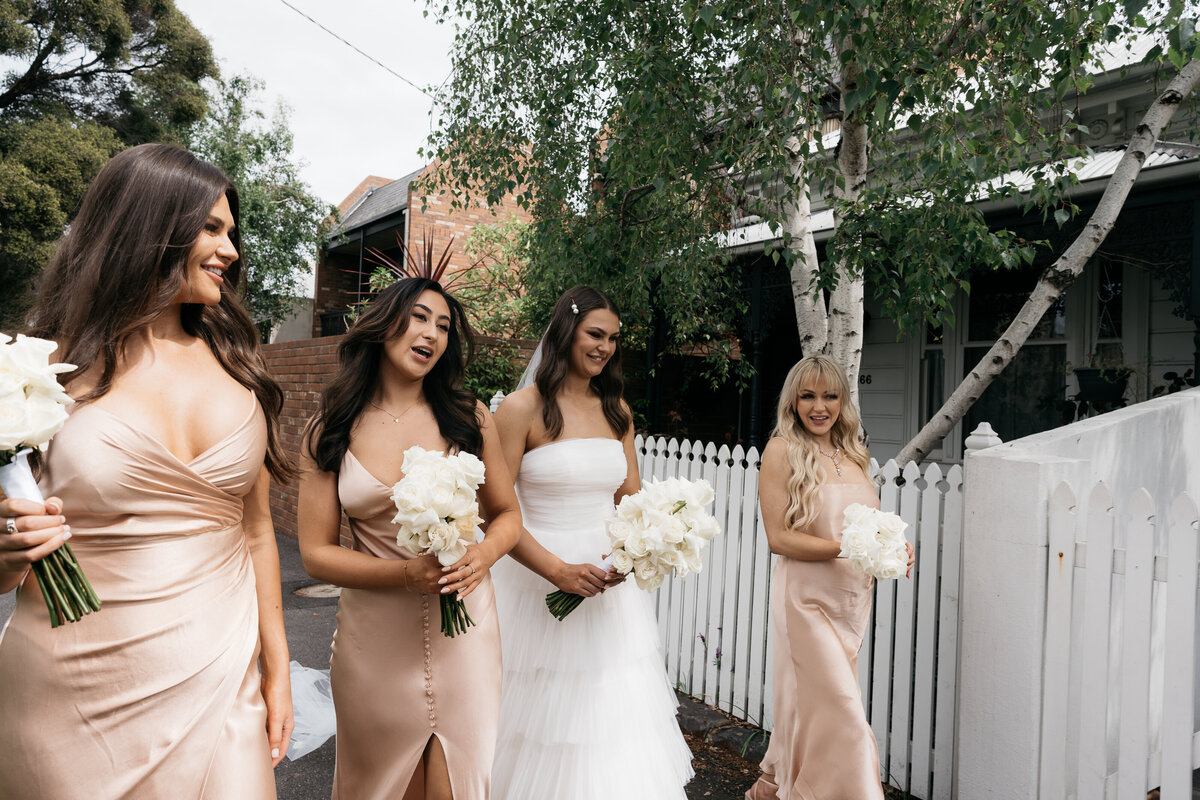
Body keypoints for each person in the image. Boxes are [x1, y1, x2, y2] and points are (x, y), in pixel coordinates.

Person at [0, 143, 295, 799]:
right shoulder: (42, 373)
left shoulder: (241, 365)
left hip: (222, 678)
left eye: (232, 232)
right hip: (73, 693)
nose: (232, 251)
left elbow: (254, 533)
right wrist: (7, 552)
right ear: (152, 227)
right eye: (212, 229)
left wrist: (276, 663)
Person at [297, 276, 522, 800]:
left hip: (465, 630)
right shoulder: (331, 426)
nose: (432, 334)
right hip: (373, 641)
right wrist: (403, 573)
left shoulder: (469, 417)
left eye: (443, 326)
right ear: (385, 324)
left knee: (454, 784)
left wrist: (482, 554)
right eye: (420, 317)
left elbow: (508, 514)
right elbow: (315, 553)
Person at [489, 286, 694, 800]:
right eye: (595, 335)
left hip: (608, 589)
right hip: (536, 581)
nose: (605, 347)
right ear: (566, 332)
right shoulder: (520, 409)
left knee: (607, 715)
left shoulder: (616, 410)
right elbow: (493, 510)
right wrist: (557, 571)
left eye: (613, 339)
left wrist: (638, 550)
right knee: (538, 719)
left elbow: (630, 500)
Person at [745, 354, 914, 800]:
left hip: (850, 602)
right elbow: (779, 538)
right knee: (844, 713)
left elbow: (868, 526)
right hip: (804, 601)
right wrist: (852, 548)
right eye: (808, 396)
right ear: (793, 401)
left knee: (811, 709)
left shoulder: (856, 454)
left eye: (830, 396)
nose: (819, 407)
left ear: (843, 400)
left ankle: (772, 788)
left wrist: (893, 547)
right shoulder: (782, 450)